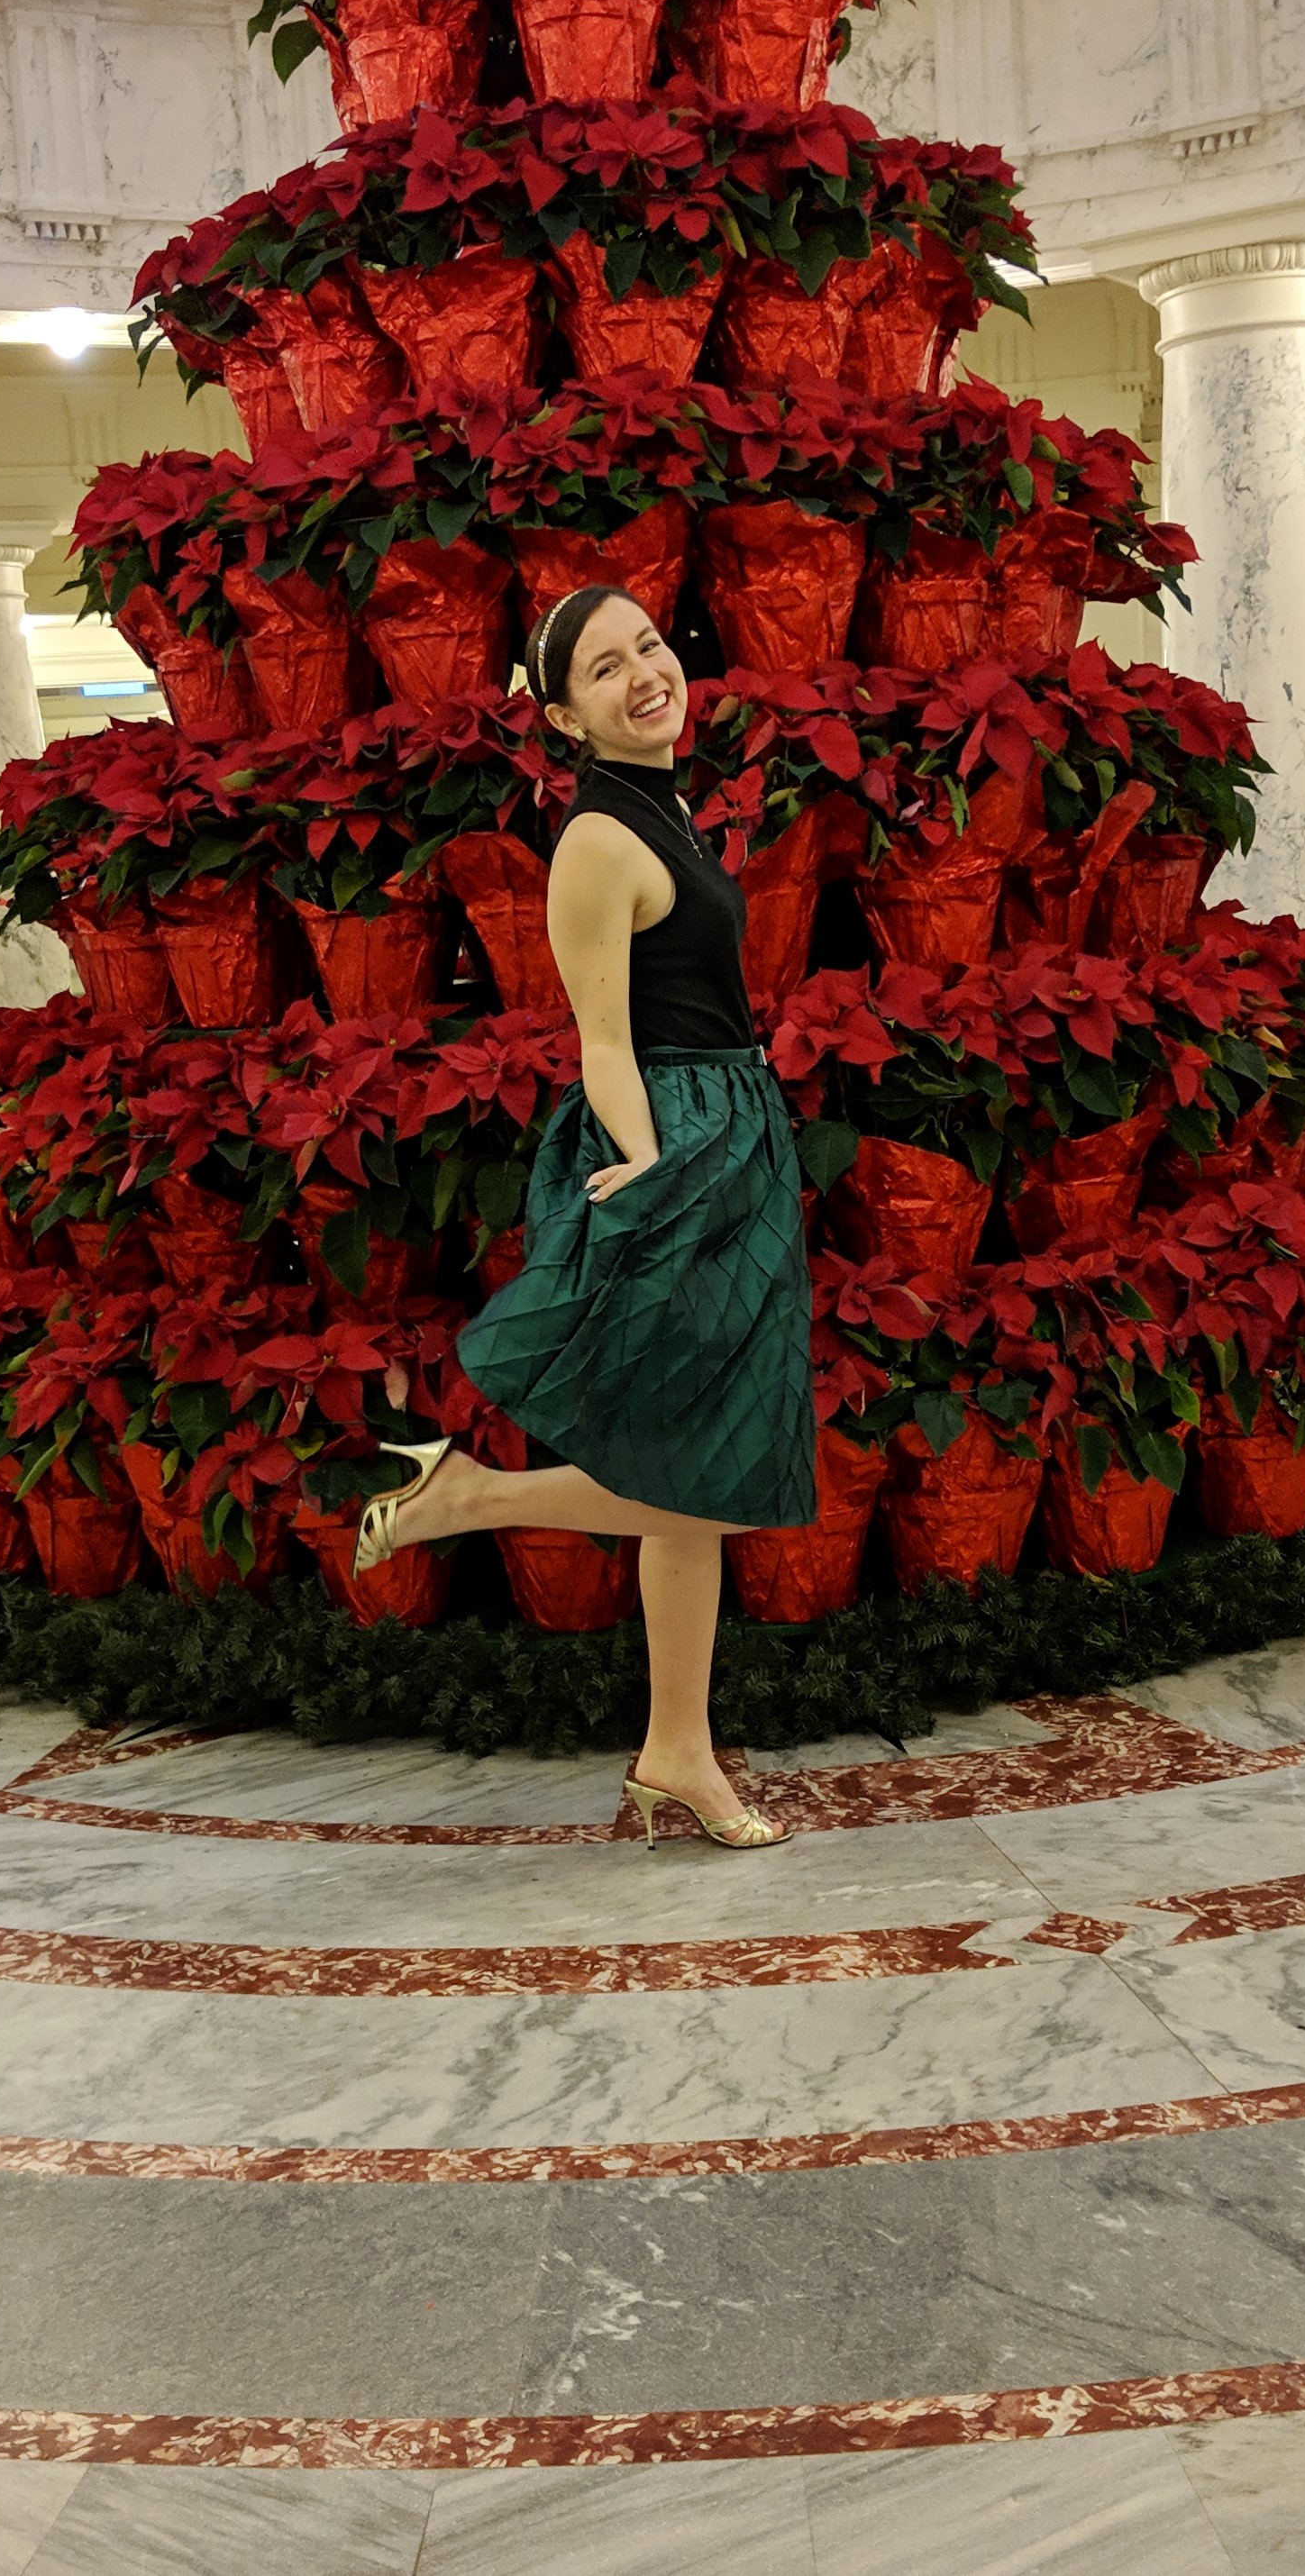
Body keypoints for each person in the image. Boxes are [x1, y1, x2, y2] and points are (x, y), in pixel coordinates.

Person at [353, 584, 816, 1851]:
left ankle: (677, 1746)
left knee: (698, 1467)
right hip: (684, 1141)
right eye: (609, 670)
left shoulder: (657, 804)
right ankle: (466, 1505)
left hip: (727, 1128)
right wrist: (655, 1165)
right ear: (563, 715)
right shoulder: (599, 841)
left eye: (651, 647)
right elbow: (602, 1037)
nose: (646, 675)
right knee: (706, 1475)